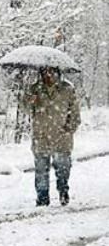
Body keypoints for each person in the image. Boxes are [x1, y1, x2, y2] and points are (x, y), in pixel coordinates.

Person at [20, 67, 81, 206]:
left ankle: (63, 190)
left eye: (51, 72)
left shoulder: (67, 89)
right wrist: (29, 101)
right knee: (41, 170)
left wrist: (68, 129)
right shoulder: (34, 89)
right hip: (41, 137)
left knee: (63, 168)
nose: (48, 75)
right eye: (44, 72)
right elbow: (24, 109)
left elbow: (75, 114)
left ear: (58, 73)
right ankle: (42, 197)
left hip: (61, 137)